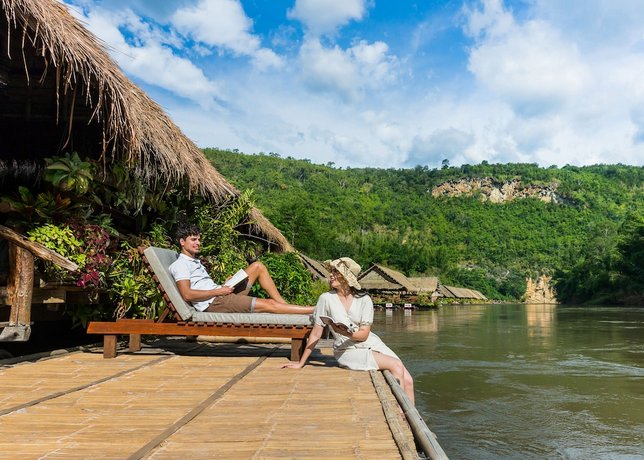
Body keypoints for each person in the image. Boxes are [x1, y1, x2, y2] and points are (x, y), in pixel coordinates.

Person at [282, 257, 415, 403]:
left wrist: (346, 332)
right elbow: (315, 334)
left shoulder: (364, 300)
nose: (331, 275)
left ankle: (412, 421)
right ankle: (401, 414)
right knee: (395, 366)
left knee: (408, 380)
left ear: (346, 277)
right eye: (331, 271)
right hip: (346, 349)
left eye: (335, 271)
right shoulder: (325, 299)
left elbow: (364, 335)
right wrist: (301, 363)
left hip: (370, 342)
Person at [169, 223, 314, 315]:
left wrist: (223, 285)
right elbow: (187, 294)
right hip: (214, 303)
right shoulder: (181, 264)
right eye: (193, 240)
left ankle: (284, 305)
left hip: (219, 294)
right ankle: (312, 310)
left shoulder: (194, 261)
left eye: (199, 239)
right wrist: (219, 291)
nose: (198, 243)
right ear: (182, 242)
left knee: (257, 266)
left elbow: (202, 285)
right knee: (269, 304)